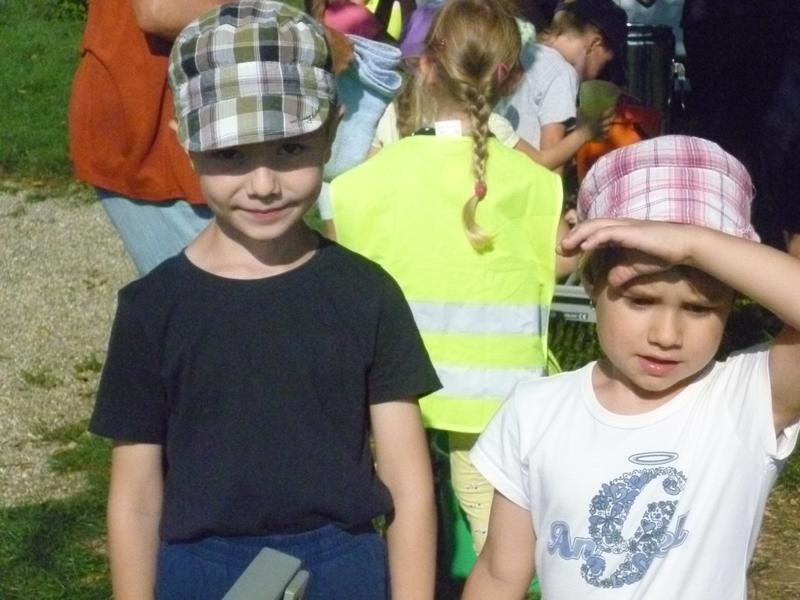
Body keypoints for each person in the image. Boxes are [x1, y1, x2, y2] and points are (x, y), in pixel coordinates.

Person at [88, 3, 441, 599]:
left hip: (343, 568)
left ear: (332, 129)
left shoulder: (367, 293)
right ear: (186, 142)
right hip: (200, 573)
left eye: (289, 149)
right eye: (230, 154)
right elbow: (136, 499)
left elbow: (408, 483)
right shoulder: (153, 308)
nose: (263, 184)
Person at [462, 135, 800, 599]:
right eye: (641, 301)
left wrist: (691, 245)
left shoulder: (747, 400)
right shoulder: (535, 411)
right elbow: (500, 573)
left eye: (699, 309)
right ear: (592, 282)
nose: (667, 335)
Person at [327, 0, 564, 558]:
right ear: (512, 80)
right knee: (490, 520)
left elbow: (339, 268)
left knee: (399, 501)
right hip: (496, 390)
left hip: (393, 385)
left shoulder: (362, 183)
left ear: (426, 67)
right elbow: (551, 266)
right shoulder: (539, 185)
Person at [68, 0, 221, 276]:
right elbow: (161, 10)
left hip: (182, 112)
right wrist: (275, 18)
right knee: (213, 290)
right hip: (151, 120)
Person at [500, 0, 627, 166]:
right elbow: (551, 165)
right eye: (605, 63)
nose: (600, 74)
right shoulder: (562, 73)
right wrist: (587, 131)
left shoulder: (525, 53)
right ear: (594, 43)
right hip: (524, 178)